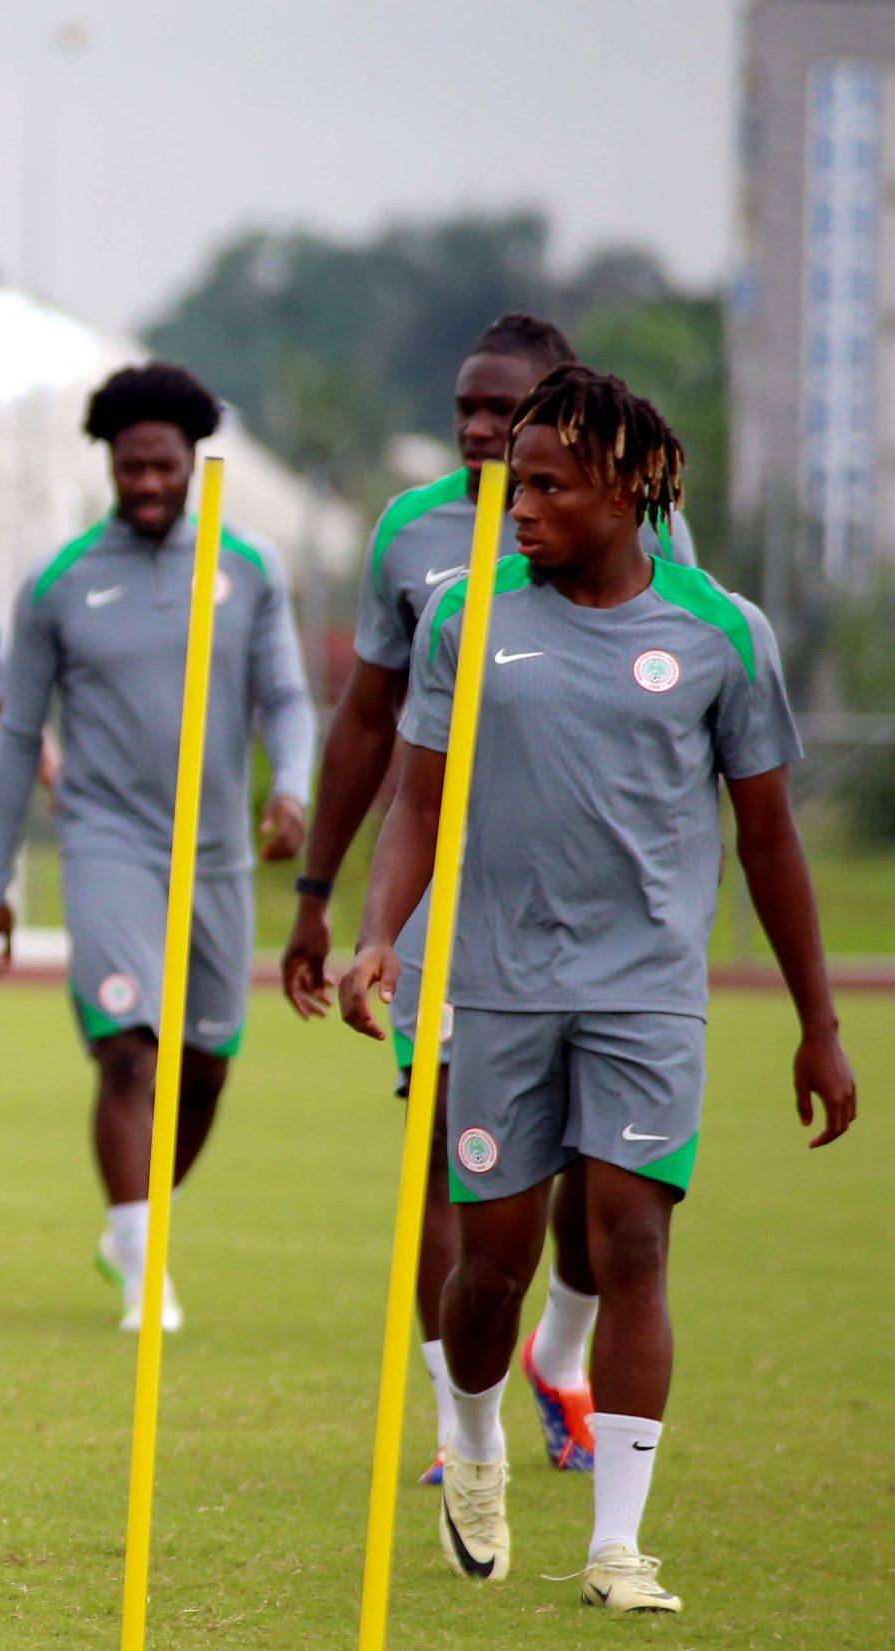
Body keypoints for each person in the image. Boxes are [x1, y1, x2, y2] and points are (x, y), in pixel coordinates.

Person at [340, 366, 855, 1614]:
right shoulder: (467, 615)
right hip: (495, 986)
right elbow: (416, 797)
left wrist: (817, 1022)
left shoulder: (721, 631)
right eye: (514, 482)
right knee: (491, 1266)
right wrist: (374, 936)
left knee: (632, 1238)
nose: (516, 506)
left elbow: (771, 840)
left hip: (647, 991)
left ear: (627, 490)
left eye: (546, 486)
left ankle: (618, 1546)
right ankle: (472, 1434)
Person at [280, 313, 700, 1485]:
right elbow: (370, 722)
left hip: (602, 920)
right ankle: (455, 1430)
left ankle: (559, 1358)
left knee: (586, 1180)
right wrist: (322, 897)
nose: (475, 431)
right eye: (465, 409)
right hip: (446, 916)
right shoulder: (411, 537)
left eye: (500, 413)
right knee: (450, 1165)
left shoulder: (653, 531)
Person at [0, 364, 315, 1331]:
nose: (150, 483)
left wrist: (291, 787)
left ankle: (136, 1225)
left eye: (165, 465)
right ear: (110, 465)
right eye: (132, 468)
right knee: (128, 1052)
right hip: (106, 841)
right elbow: (14, 735)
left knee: (204, 1068)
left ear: (194, 460)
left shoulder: (248, 569)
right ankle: (142, 1262)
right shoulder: (60, 581)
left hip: (217, 855)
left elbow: (287, 699)